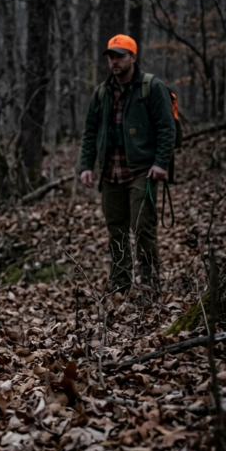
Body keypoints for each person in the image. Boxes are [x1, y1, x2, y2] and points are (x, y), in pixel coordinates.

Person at [78, 34, 176, 296]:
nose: (114, 61)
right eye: (111, 56)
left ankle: (149, 283)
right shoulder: (102, 93)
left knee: (143, 226)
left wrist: (161, 162)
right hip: (110, 172)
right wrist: (85, 166)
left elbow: (167, 128)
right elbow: (90, 132)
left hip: (141, 171)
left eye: (120, 56)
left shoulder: (151, 87)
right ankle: (120, 284)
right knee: (116, 229)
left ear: (133, 57)